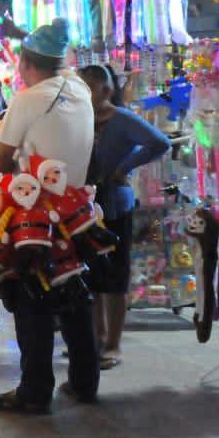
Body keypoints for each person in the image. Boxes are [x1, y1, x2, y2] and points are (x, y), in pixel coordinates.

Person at [0, 19, 97, 414]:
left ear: (26, 64)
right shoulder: (80, 90)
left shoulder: (28, 99)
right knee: (73, 293)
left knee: (30, 298)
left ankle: (34, 392)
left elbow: (1, 161)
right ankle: (84, 382)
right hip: (78, 211)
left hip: (35, 216)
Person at [80, 64, 170, 370]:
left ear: (106, 90)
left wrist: (124, 167)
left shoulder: (122, 119)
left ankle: (113, 345)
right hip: (86, 206)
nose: (84, 93)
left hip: (116, 204)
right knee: (90, 273)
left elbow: (160, 142)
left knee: (115, 276)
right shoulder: (80, 118)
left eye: (89, 87)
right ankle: (95, 339)